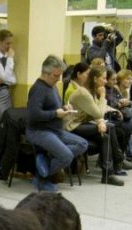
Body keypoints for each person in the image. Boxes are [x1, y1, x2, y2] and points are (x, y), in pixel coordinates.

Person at [26, 55, 88, 192]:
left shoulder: (52, 86)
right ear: (45, 73)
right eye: (56, 76)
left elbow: (55, 106)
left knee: (83, 144)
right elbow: (33, 115)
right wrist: (55, 114)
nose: (58, 79)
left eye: (60, 75)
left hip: (54, 130)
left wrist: (65, 108)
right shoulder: (38, 89)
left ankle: (46, 162)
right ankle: (42, 179)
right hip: (39, 131)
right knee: (66, 156)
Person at [66, 65, 126, 186]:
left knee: (105, 137)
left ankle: (107, 174)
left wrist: (101, 122)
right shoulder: (84, 93)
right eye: (103, 78)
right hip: (73, 127)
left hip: (84, 124)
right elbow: (99, 112)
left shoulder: (91, 92)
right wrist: (103, 96)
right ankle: (119, 158)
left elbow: (97, 114)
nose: (105, 81)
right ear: (94, 79)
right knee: (110, 127)